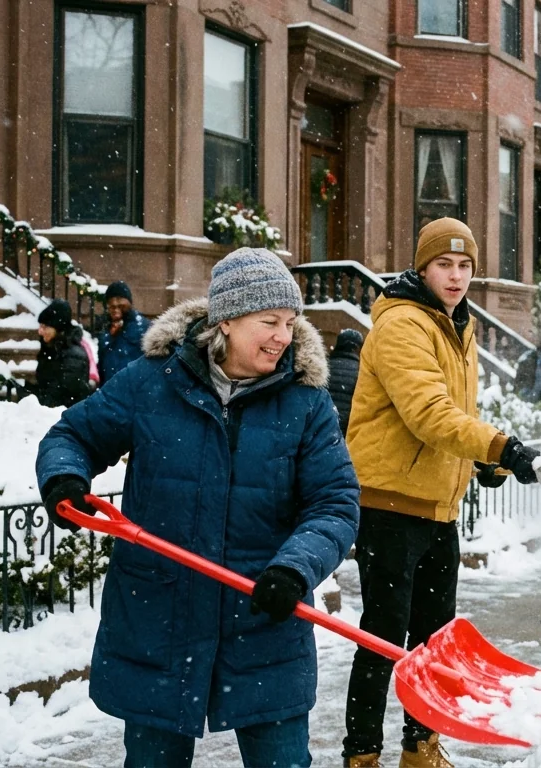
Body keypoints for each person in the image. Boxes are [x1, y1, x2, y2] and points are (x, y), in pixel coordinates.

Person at [35, 248, 360, 768]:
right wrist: (65, 477)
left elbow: (336, 503)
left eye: (291, 322)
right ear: (226, 321)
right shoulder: (152, 381)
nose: (284, 336)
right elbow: (74, 433)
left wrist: (295, 568)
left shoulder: (305, 401)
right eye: (270, 321)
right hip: (159, 617)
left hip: (264, 616)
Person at [342, 217, 540, 768]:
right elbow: (428, 414)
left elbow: (456, 416)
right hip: (389, 504)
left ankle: (419, 746)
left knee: (433, 640)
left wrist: (481, 460)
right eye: (444, 265)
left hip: (437, 507)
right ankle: (361, 753)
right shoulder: (404, 324)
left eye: (465, 266)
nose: (456, 277)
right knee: (383, 637)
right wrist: (500, 445)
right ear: (422, 267)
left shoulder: (457, 324)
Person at [33, 299, 92, 408]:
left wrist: (37, 403)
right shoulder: (51, 349)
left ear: (58, 329)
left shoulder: (74, 357)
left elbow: (61, 396)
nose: (40, 331)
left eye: (45, 327)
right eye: (40, 326)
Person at [96, 281, 150, 385]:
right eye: (112, 306)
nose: (116, 310)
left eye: (120, 306)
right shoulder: (105, 332)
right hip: (111, 392)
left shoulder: (144, 328)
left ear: (129, 303)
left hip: (136, 393)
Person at [327, 328, 364, 436]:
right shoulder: (361, 372)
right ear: (358, 348)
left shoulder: (324, 366)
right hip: (346, 429)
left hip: (321, 424)